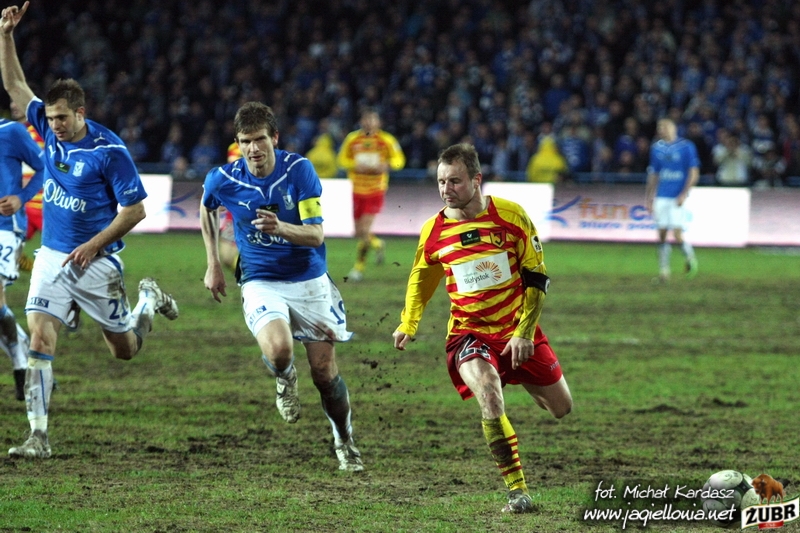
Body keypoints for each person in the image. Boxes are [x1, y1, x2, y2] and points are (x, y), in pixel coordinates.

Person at [1, 1, 179, 459]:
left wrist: (94, 245)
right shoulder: (46, 128)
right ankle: (38, 437)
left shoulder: (109, 151)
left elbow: (135, 211)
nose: (54, 126)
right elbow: (16, 86)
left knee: (124, 349)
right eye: (50, 118)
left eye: (62, 118)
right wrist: (6, 36)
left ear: (81, 113)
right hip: (52, 257)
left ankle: (147, 301)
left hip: (98, 262)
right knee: (40, 338)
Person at [392, 143, 572, 514]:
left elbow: (537, 279)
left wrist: (524, 332)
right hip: (468, 334)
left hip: (517, 330)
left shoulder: (511, 215)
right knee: (489, 394)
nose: (446, 189)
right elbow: (421, 277)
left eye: (455, 181)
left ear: (477, 180)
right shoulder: (434, 231)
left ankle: (517, 373)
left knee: (560, 407)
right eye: (441, 182)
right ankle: (518, 492)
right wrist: (409, 322)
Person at [201, 102, 363, 472]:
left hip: (309, 280)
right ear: (238, 143)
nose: (253, 148)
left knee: (324, 374)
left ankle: (344, 440)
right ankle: (285, 377)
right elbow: (206, 207)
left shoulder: (299, 171)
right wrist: (213, 263)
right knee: (279, 351)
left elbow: (316, 235)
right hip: (261, 280)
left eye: (259, 139)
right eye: (245, 141)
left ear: (274, 138)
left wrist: (281, 228)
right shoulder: (222, 178)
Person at [0, 101, 43, 400]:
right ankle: (24, 354)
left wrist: (21, 197)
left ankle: (20, 362)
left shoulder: (11, 132)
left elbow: (44, 167)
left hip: (5, 227)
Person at [336, 108, 405, 281]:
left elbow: (399, 160)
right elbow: (341, 159)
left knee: (365, 230)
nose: (369, 123)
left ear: (378, 123)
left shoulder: (386, 140)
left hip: (375, 189)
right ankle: (378, 244)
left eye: (372, 120)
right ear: (361, 121)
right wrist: (354, 165)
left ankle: (358, 268)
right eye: (366, 119)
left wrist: (387, 165)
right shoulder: (352, 139)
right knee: (359, 232)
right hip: (356, 189)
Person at [645, 118, 700, 282]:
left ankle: (690, 258)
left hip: (677, 197)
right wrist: (649, 197)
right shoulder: (656, 148)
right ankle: (664, 272)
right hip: (662, 196)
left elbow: (694, 172)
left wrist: (684, 193)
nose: (662, 130)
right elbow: (654, 174)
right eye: (660, 127)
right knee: (661, 234)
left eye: (665, 126)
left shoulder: (686, 147)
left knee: (677, 233)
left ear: (674, 128)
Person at [10, 99, 42, 272]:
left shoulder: (44, 131)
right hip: (23, 205)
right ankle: (34, 269)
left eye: (17, 100)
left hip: (47, 206)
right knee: (9, 248)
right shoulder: (11, 133)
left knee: (63, 252)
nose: (13, 105)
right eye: (11, 101)